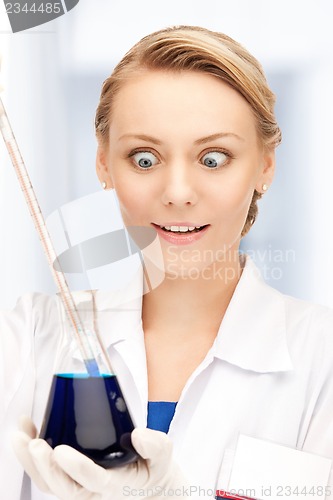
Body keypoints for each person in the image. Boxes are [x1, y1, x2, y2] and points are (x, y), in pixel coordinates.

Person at [2, 24, 333, 500]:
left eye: (214, 159)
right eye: (144, 159)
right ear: (103, 164)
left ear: (265, 165)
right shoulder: (31, 339)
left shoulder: (321, 359)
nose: (177, 193)